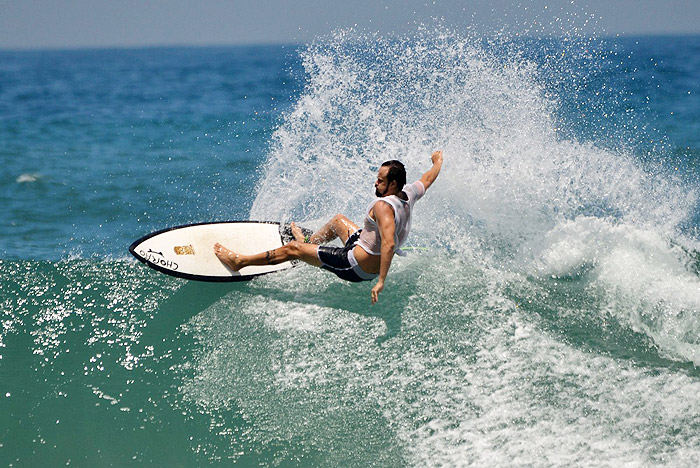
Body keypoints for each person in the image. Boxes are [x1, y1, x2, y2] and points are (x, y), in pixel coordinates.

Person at [214, 150, 443, 304]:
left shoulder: (384, 207)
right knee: (337, 221)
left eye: (381, 180)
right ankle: (310, 245)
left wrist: (381, 280)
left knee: (293, 248)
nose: (375, 182)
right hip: (362, 246)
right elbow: (428, 179)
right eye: (377, 177)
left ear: (393, 184)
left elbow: (390, 242)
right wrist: (437, 162)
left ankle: (240, 261)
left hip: (356, 266)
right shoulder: (409, 192)